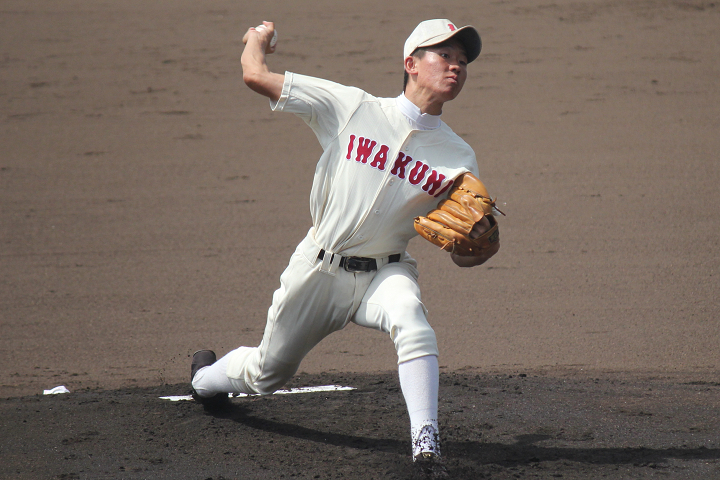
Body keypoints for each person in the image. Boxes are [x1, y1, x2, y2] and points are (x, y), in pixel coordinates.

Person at [190, 18, 499, 474]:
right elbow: (254, 76)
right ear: (410, 64)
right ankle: (203, 379)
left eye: (463, 60)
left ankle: (426, 443)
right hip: (319, 271)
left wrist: (480, 248)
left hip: (386, 272)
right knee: (267, 373)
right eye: (445, 55)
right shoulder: (353, 107)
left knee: (413, 322)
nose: (456, 66)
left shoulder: (459, 157)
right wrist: (256, 40)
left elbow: (460, 251)